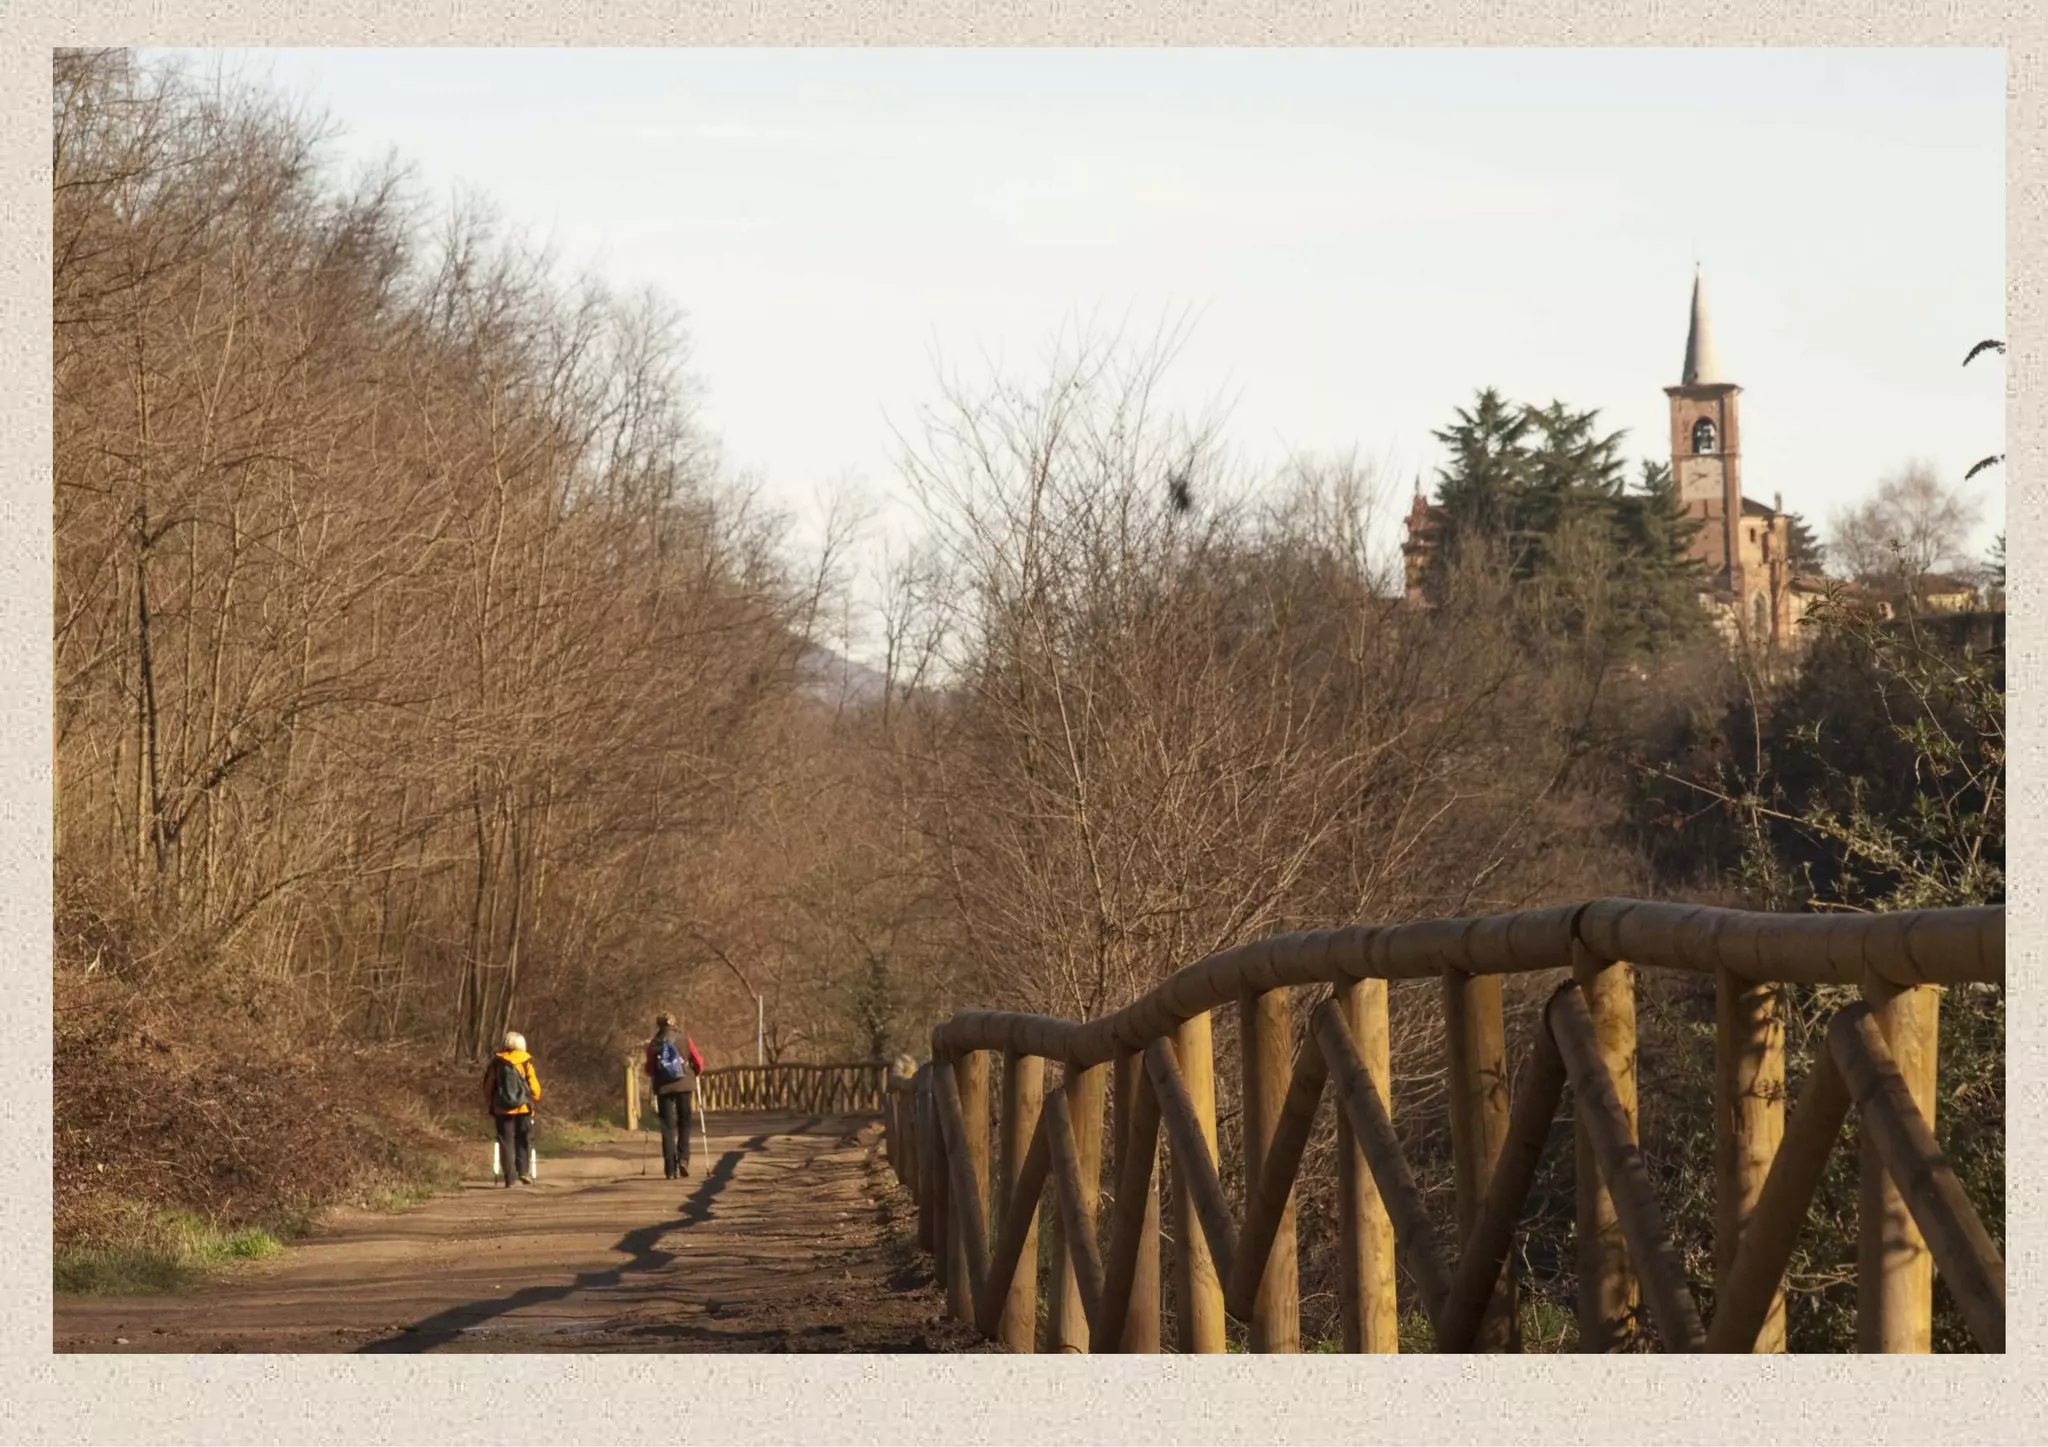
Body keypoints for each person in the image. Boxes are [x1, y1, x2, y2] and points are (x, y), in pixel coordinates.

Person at [643, 1013, 706, 1179]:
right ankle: (683, 1159)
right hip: (685, 1084)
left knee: (667, 1126)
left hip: (664, 1087)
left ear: (659, 1026)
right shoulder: (685, 1039)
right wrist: (695, 1073)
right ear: (674, 1023)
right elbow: (698, 1062)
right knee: (684, 1122)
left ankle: (670, 1168)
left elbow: (650, 1070)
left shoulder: (654, 1043)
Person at [483, 1030, 543, 1187]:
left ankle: (509, 1178)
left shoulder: (497, 1062)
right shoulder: (526, 1062)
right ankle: (523, 1172)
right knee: (523, 1140)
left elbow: (488, 1086)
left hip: (502, 1109)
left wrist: (490, 1101)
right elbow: (534, 1087)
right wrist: (534, 1098)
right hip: (523, 1108)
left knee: (505, 1141)